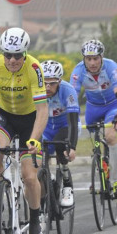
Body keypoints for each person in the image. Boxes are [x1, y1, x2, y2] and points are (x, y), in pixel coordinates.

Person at [0, 27, 48, 234]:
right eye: (7, 55)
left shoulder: (34, 69)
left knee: (30, 177)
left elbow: (42, 111)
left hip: (30, 119)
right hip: (5, 117)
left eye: (17, 55)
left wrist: (35, 139)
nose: (12, 60)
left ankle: (36, 219)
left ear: (25, 54)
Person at [70, 39, 117, 198]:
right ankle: (100, 171)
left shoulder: (111, 66)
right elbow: (71, 98)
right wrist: (73, 119)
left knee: (110, 136)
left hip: (111, 105)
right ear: (84, 59)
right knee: (95, 142)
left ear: (101, 57)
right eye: (89, 59)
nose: (93, 62)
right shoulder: (78, 70)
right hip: (93, 108)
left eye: (96, 58)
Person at [41, 60, 80, 207]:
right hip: (46, 127)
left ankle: (67, 186)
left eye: (52, 83)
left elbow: (73, 122)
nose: (47, 87)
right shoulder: (36, 90)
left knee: (59, 145)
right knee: (39, 152)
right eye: (44, 83)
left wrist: (72, 146)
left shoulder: (68, 91)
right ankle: (47, 177)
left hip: (65, 126)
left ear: (60, 81)